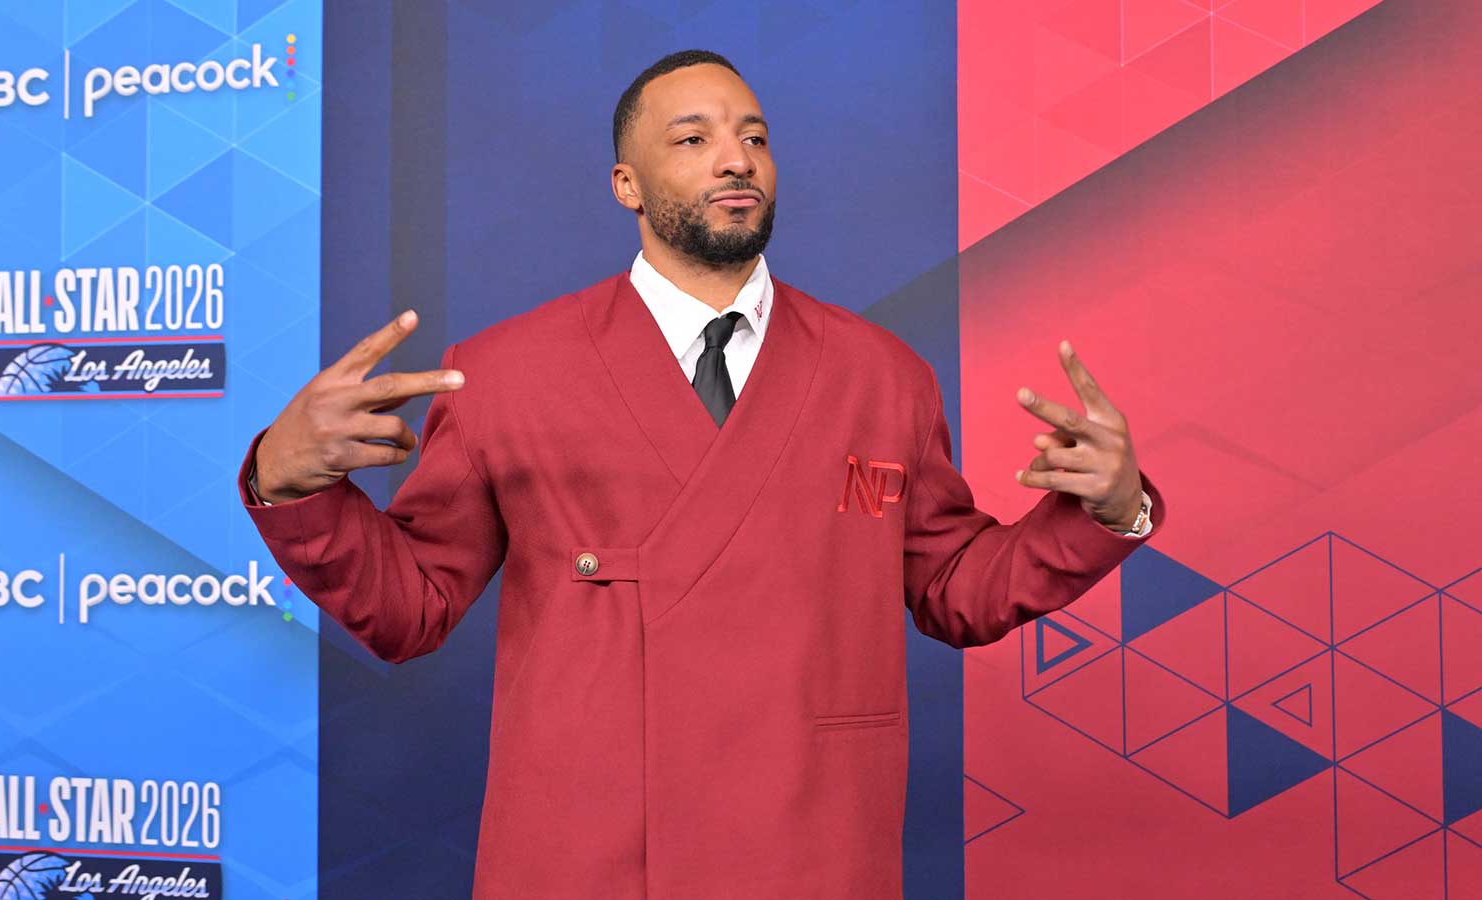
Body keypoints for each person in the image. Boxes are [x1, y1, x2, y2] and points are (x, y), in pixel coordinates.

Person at [238, 49, 1164, 900]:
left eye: (753, 137)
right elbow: (411, 607)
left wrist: (1103, 510)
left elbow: (957, 591)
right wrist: (292, 483)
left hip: (815, 851)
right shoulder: (507, 374)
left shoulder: (883, 374)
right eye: (695, 139)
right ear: (626, 184)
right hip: (586, 856)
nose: (736, 159)